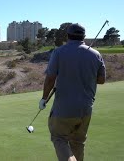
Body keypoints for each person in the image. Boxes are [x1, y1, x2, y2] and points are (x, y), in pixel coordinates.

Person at [39, 23, 106, 161]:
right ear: (84, 36)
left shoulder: (59, 52)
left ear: (68, 36)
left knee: (59, 138)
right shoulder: (96, 54)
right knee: (78, 143)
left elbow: (51, 78)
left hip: (64, 110)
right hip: (85, 110)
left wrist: (44, 98)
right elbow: (101, 80)